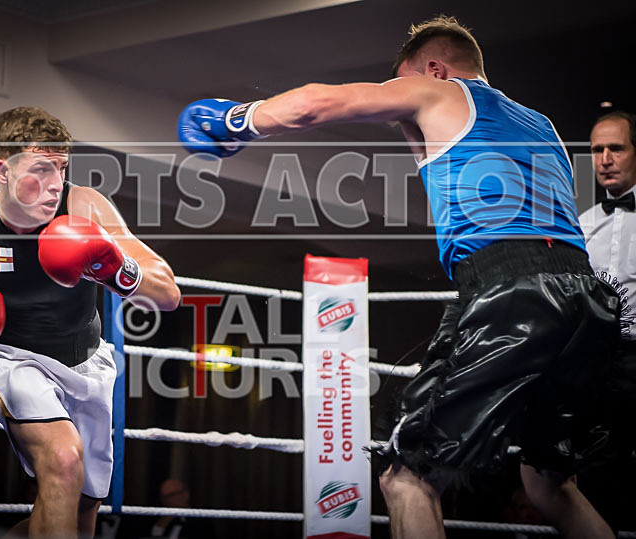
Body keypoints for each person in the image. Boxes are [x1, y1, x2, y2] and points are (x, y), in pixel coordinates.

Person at [176, 15, 619, 539]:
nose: (401, 110)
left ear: (433, 69)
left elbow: (313, 103)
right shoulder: (540, 124)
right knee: (550, 484)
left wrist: (239, 120)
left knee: (405, 474)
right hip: (588, 302)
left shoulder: (440, 93)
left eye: (403, 84)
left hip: (510, 292)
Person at [0, 106, 181, 538]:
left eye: (62, 168)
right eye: (41, 169)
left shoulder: (84, 206)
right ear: (3, 170)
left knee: (83, 511)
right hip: (12, 357)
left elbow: (168, 293)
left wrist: (118, 271)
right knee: (63, 458)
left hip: (86, 362)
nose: (55, 184)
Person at [578, 111, 636, 530]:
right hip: (596, 363)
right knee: (596, 470)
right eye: (598, 149)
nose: (605, 159)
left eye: (616, 147)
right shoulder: (581, 225)